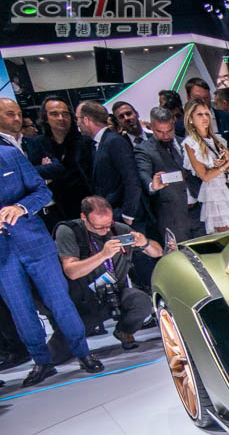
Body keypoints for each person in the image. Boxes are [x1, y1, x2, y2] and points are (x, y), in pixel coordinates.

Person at [0, 142, 101, 387]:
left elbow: (42, 192)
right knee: (20, 309)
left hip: (34, 243)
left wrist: (21, 207)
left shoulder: (10, 155)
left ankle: (83, 353)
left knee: (59, 300)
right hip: (3, 254)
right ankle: (41, 361)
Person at [54, 195, 163, 351]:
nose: (105, 230)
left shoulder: (118, 229)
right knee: (60, 351)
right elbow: (71, 271)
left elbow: (157, 252)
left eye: (108, 224)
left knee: (141, 301)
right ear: (84, 217)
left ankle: (124, 331)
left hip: (117, 292)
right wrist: (103, 255)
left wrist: (145, 243)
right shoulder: (69, 231)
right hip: (85, 299)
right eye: (99, 227)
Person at [182, 100, 229, 233]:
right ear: (190, 119)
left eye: (207, 114)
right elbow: (205, 176)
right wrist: (223, 166)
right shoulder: (190, 143)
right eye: (200, 114)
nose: (205, 117)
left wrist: (227, 162)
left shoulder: (218, 139)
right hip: (215, 194)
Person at [135, 106, 203, 243]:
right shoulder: (144, 150)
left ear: (173, 123)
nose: (165, 136)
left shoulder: (186, 143)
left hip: (200, 210)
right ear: (151, 127)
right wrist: (152, 185)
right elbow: (143, 173)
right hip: (172, 216)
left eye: (169, 130)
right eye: (160, 132)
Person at [25, 96, 91, 230]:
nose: (61, 118)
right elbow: (32, 173)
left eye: (65, 114)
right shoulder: (37, 144)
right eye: (54, 114)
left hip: (86, 206)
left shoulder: (85, 142)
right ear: (45, 118)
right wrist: (49, 172)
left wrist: (50, 172)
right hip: (54, 211)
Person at [76, 100, 145, 226]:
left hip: (127, 218)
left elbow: (132, 179)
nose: (78, 124)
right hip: (114, 215)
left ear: (86, 120)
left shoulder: (114, 141)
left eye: (78, 119)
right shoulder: (99, 144)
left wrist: (127, 215)